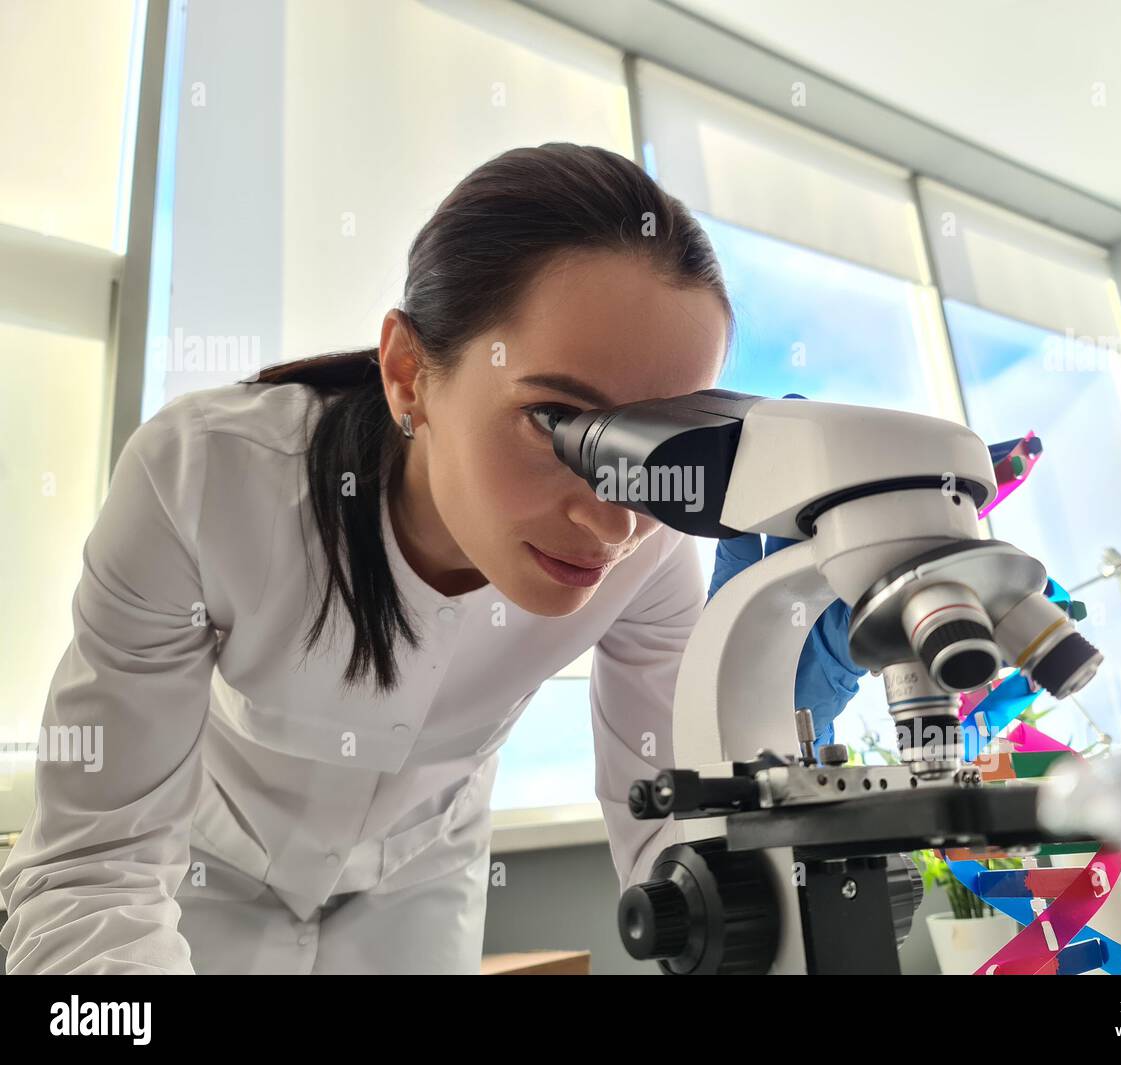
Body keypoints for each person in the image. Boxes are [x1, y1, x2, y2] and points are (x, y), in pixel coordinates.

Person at [0, 144, 864, 974]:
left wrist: (761, 734)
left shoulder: (657, 550)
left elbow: (678, 853)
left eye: (657, 444)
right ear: (409, 371)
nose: (611, 521)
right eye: (556, 420)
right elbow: (93, 867)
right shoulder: (203, 481)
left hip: (421, 876)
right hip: (202, 869)